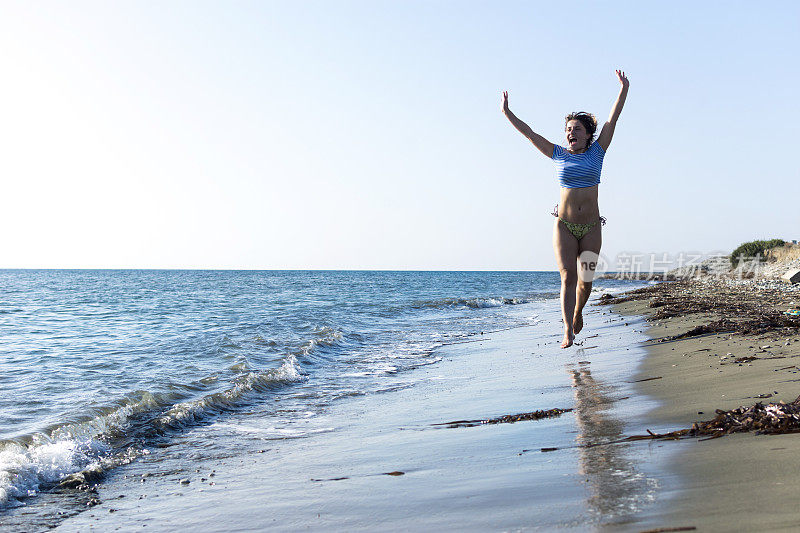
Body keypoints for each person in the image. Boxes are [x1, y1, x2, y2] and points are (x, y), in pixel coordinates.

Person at [502, 70, 629, 348]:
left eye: (577, 129)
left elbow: (613, 118)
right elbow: (529, 133)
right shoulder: (557, 154)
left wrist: (623, 88)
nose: (571, 133)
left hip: (592, 225)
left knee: (586, 280)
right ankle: (567, 332)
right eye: (568, 129)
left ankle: (578, 312)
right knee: (568, 276)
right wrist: (507, 112)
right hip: (564, 225)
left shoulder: (599, 151)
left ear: (587, 135)